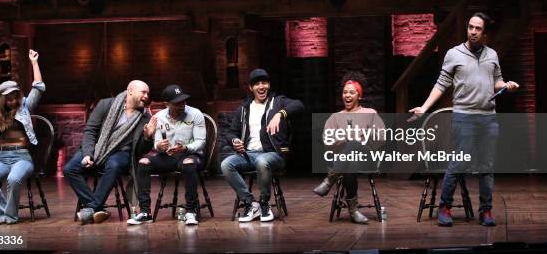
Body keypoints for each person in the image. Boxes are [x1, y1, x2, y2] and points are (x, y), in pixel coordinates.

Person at [409, 12, 519, 227]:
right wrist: (424, 107)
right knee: (458, 164)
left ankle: (486, 211)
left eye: (478, 29)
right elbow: (441, 84)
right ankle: (445, 206)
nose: (473, 31)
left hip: (488, 118)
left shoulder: (492, 55)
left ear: (485, 33)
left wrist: (506, 86)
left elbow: (496, 81)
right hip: (464, 117)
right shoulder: (454, 54)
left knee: (486, 167)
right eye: (470, 27)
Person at [63, 80, 157, 225]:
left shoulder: (145, 117)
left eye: (148, 93)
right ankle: (96, 208)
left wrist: (147, 136)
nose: (146, 96)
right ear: (130, 91)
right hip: (97, 148)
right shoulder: (106, 104)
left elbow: (140, 151)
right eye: (143, 92)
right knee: (69, 169)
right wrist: (88, 153)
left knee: (113, 164)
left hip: (121, 153)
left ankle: (91, 208)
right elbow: (90, 130)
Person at [221, 68, 304, 223]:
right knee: (226, 164)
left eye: (264, 82)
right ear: (251, 88)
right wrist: (234, 141)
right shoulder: (244, 108)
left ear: (269, 85)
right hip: (249, 154)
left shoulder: (278, 102)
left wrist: (280, 114)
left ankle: (264, 202)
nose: (261, 86)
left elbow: (299, 105)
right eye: (257, 84)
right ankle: (250, 203)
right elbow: (231, 132)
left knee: (262, 161)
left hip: (274, 154)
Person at [0, 50, 43, 224]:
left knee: (13, 178)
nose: (13, 101)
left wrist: (34, 62)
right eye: (8, 99)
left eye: (15, 97)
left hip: (22, 157)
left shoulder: (26, 105)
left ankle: (10, 216)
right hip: (1, 157)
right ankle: (0, 214)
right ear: (2, 99)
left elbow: (39, 87)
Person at [127, 84, 206, 226]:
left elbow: (201, 142)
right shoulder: (158, 117)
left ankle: (190, 211)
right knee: (144, 162)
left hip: (191, 155)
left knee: (188, 163)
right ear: (167, 104)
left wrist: (185, 148)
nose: (182, 105)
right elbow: (157, 144)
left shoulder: (195, 114)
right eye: (177, 103)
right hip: (169, 157)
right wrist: (159, 146)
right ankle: (145, 212)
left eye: (183, 101)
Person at [314, 79, 385, 223]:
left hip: (366, 158)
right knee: (349, 161)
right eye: (345, 92)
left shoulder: (370, 113)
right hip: (346, 160)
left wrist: (363, 136)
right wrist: (344, 138)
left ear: (359, 96)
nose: (347, 95)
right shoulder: (335, 117)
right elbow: (326, 139)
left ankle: (329, 180)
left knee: (353, 145)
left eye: (352, 92)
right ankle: (354, 211)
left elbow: (382, 136)